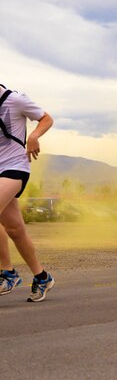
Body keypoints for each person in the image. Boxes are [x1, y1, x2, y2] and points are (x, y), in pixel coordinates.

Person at [0, 84, 55, 302]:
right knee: (14, 229)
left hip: (15, 167)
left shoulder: (15, 99)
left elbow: (46, 118)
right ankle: (42, 277)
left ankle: (7, 272)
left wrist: (34, 136)